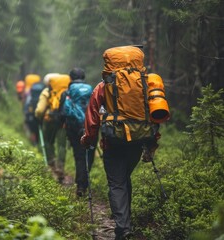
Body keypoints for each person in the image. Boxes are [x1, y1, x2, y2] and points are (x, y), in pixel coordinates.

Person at [81, 46, 161, 240]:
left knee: (117, 183)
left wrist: (88, 139)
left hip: (113, 141)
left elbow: (92, 116)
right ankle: (125, 222)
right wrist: (152, 143)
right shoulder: (145, 83)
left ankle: (122, 228)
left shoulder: (103, 86)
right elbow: (155, 112)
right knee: (124, 179)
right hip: (138, 139)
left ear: (110, 63)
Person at [59, 68, 96, 197]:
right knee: (89, 154)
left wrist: (64, 124)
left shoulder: (67, 92)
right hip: (91, 126)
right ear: (83, 77)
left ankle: (80, 184)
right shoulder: (91, 90)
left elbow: (62, 112)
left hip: (74, 127)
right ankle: (83, 182)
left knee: (79, 154)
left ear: (71, 78)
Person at [35, 73, 68, 183]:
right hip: (63, 121)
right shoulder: (67, 91)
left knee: (48, 141)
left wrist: (38, 117)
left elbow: (40, 110)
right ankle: (60, 166)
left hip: (49, 120)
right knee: (62, 144)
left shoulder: (47, 91)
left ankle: (52, 163)